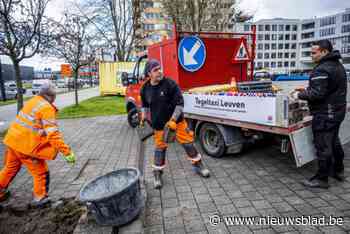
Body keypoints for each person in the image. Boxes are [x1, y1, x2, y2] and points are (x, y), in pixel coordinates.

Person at [0, 82, 76, 206]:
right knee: (41, 172)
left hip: (12, 141)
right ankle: (40, 199)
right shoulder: (46, 107)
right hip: (26, 146)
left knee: (10, 168)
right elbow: (53, 134)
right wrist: (67, 152)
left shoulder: (33, 101)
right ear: (51, 96)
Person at [140, 59, 210, 189]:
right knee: (160, 148)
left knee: (188, 144)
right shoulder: (145, 88)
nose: (160, 71)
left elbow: (180, 104)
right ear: (149, 73)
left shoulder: (170, 84)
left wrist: (173, 120)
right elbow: (144, 104)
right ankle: (157, 172)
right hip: (159, 126)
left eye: (160, 68)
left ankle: (198, 165)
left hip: (177, 123)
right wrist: (143, 115)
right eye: (156, 70)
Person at [290, 39, 347, 188]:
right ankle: (338, 170)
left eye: (314, 53)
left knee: (323, 146)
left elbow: (317, 94)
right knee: (334, 141)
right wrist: (308, 89)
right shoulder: (337, 65)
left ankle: (321, 179)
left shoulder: (322, 69)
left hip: (325, 114)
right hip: (337, 111)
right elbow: (327, 88)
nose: (311, 56)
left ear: (324, 52)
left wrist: (299, 95)